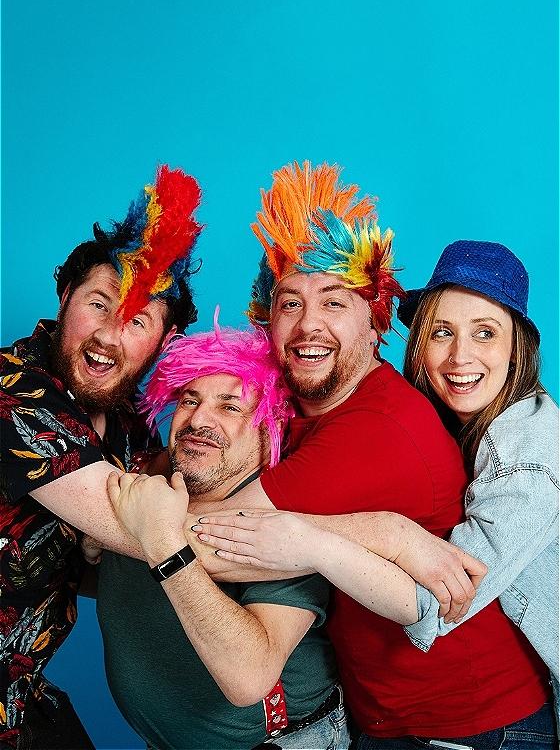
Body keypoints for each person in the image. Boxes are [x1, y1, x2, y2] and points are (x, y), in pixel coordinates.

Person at [184, 162, 553, 748]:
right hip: (385, 719)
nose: (309, 325)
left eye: (334, 302)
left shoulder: (392, 428)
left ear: (374, 316)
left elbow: (212, 546)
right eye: (289, 303)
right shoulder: (305, 402)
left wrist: (379, 532)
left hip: (476, 728)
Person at [0, 165, 203, 749]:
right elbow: (150, 534)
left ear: (163, 343)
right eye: (98, 303)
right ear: (65, 296)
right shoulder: (15, 395)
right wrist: (335, 541)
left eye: (136, 320)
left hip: (20, 694)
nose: (108, 336)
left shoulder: (130, 429)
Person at [96, 321, 350, 750]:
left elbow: (249, 677)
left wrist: (162, 542)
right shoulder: (148, 488)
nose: (199, 420)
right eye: (189, 400)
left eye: (230, 407)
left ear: (266, 428)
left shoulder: (282, 524)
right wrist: (96, 545)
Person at [396, 240, 559, 714]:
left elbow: (440, 598)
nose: (459, 357)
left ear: (516, 351)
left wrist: (370, 531)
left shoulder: (528, 456)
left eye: (485, 333)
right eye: (442, 333)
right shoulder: (449, 428)